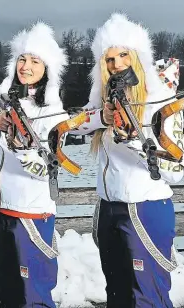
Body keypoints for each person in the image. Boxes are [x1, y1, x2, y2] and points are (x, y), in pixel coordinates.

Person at [70, 13, 183, 307]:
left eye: (123, 55)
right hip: (110, 208)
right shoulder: (106, 101)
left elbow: (177, 170)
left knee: (147, 297)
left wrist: (133, 138)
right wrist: (103, 117)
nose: (117, 63)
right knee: (117, 296)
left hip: (145, 210)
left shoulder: (162, 104)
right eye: (109, 59)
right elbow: (74, 124)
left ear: (138, 58)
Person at [0, 22, 69, 307]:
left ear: (47, 68)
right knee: (9, 293)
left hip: (31, 214)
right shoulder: (2, 101)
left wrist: (21, 147)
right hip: (0, 209)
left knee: (33, 295)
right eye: (22, 59)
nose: (26, 66)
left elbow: (47, 171)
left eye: (35, 61)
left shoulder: (52, 112)